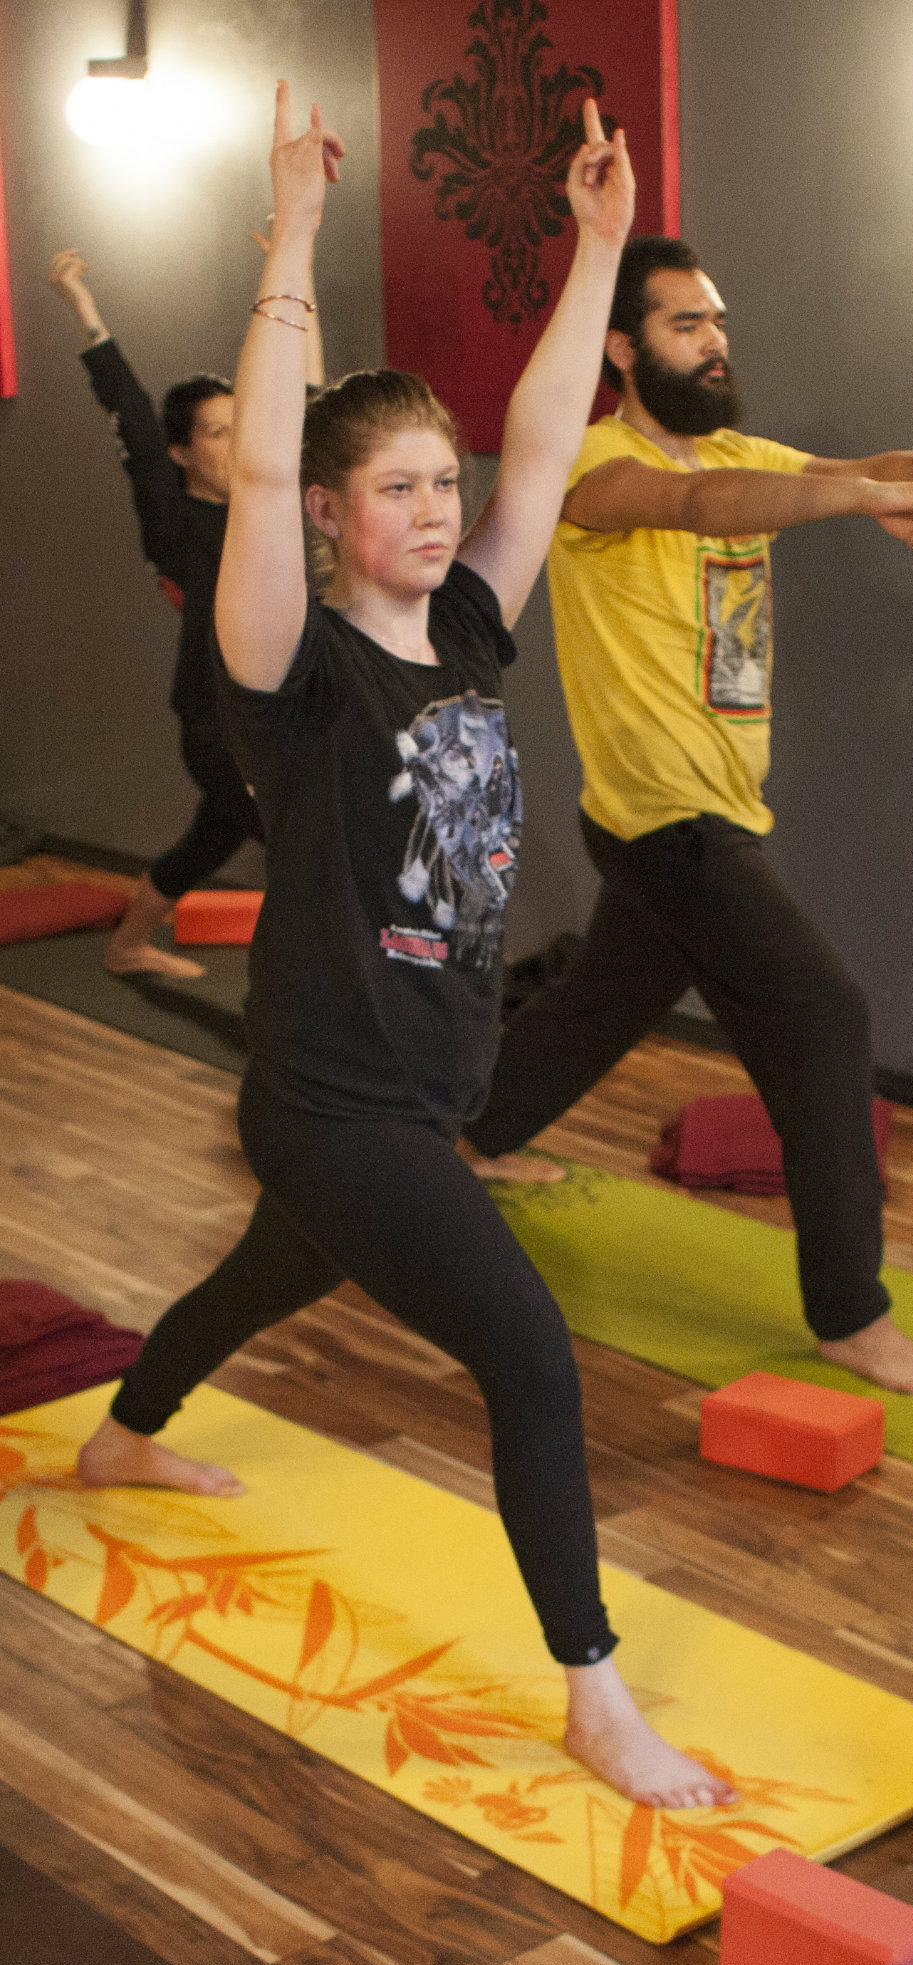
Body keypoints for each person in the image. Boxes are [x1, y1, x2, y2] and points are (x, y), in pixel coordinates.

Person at [72, 84, 735, 1809]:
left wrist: (594, 250)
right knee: (528, 1354)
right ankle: (594, 1695)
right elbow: (263, 454)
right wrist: (290, 235)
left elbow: (542, 446)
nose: (439, 510)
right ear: (326, 509)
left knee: (262, 1277)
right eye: (397, 488)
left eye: (444, 483)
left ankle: (123, 1435)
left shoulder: (466, 625)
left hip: (420, 1087)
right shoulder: (290, 671)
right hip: (334, 1099)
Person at [458, 234, 913, 1398]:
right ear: (620, 349)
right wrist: (859, 499)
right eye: (685, 324)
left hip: (702, 810)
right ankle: (849, 1313)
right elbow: (694, 503)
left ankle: (467, 1134)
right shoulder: (592, 468)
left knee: (603, 1000)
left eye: (717, 320)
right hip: (668, 818)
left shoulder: (742, 452)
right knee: (825, 1017)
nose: (713, 340)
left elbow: (879, 461)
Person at [48, 240, 323, 979]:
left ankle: (126, 946)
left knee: (209, 840)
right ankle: (311, 1000)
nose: (238, 444)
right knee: (306, 845)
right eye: (217, 432)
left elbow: (304, 397)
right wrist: (85, 309)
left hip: (274, 709)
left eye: (241, 427)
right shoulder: (174, 525)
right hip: (216, 724)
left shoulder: (265, 505)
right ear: (182, 453)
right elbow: (135, 420)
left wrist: (295, 266)